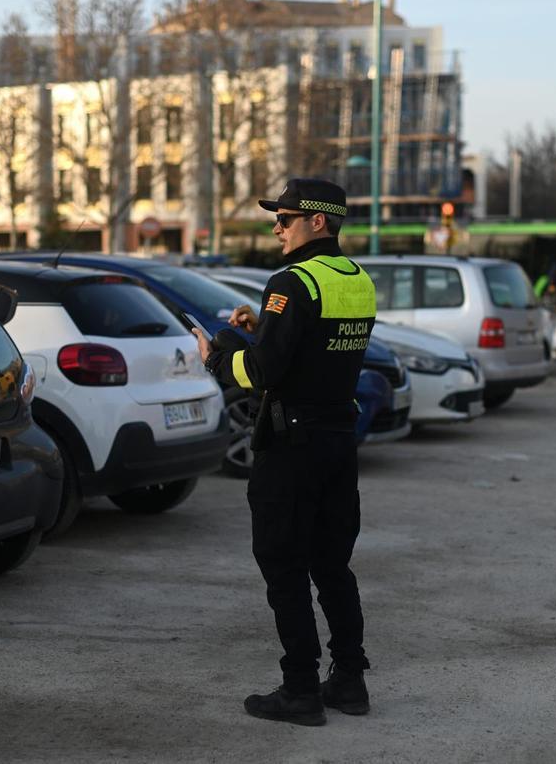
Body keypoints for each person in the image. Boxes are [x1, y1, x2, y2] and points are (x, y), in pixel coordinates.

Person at [191, 178, 375, 726]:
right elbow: (314, 350)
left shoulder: (291, 281)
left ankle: (300, 689)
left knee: (284, 565)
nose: (277, 227)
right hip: (338, 443)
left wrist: (218, 354)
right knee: (333, 565)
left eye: (285, 218)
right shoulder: (357, 279)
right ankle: (348, 682)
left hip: (291, 446)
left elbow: (262, 372)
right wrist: (262, 327)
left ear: (317, 222)